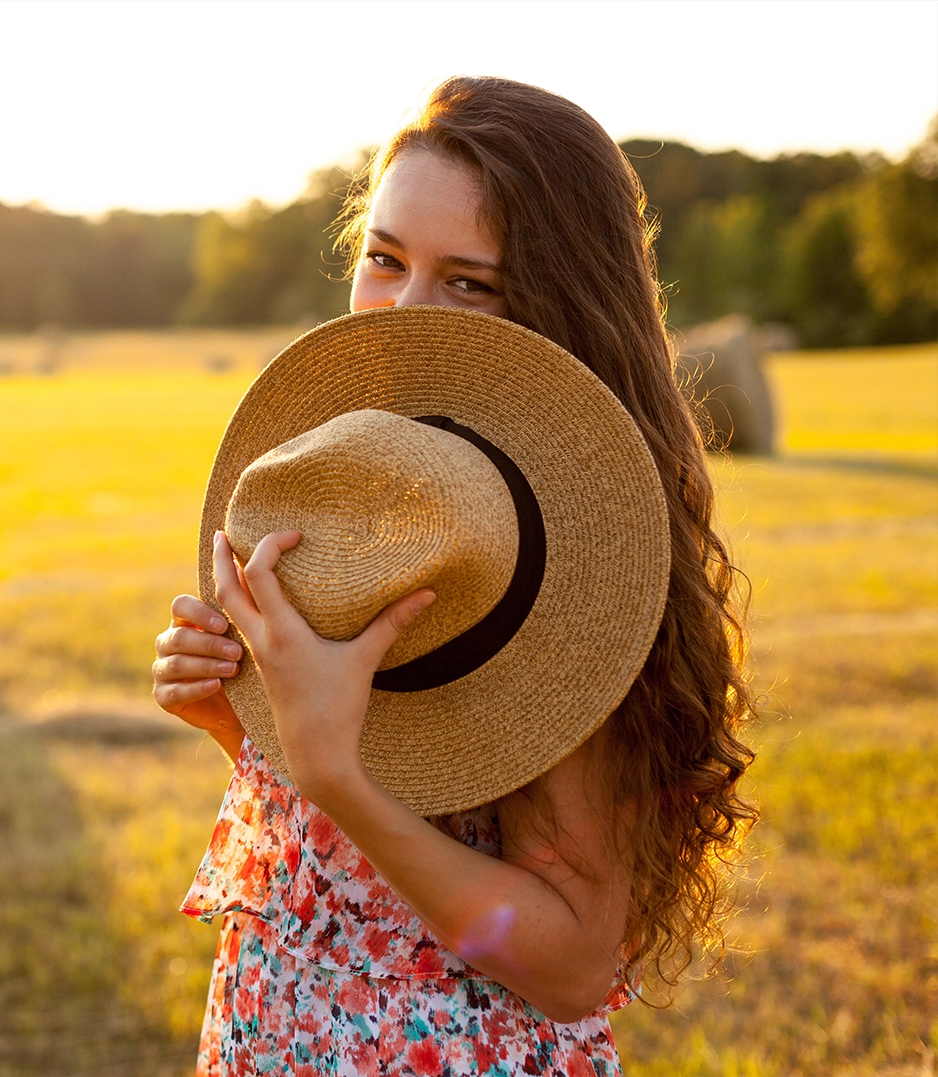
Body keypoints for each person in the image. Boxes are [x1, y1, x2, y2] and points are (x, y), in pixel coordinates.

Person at [152, 76, 756, 1076]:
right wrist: (242, 717)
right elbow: (388, 821)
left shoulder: (566, 553)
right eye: (384, 260)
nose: (401, 309)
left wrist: (333, 771)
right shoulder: (370, 485)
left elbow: (570, 967)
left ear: (557, 299)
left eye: (468, 281)